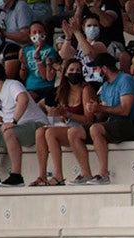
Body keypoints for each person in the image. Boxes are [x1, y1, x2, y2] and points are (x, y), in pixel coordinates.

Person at [68, 52, 134, 185]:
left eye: (96, 68)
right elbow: (103, 112)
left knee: (96, 129)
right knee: (73, 132)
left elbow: (125, 110)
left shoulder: (125, 79)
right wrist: (94, 108)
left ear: (104, 68)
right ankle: (86, 173)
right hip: (113, 124)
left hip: (130, 125)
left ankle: (103, 174)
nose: (95, 72)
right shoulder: (106, 86)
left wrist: (100, 109)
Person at [0, 61, 48, 187]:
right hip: (14, 130)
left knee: (8, 132)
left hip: (34, 125)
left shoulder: (12, 84)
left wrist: (13, 121)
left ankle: (17, 175)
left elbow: (23, 99)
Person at [31, 58, 96, 186]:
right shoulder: (63, 90)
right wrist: (61, 115)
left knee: (50, 133)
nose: (75, 73)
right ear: (65, 73)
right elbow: (65, 117)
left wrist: (68, 114)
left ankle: (58, 176)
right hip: (69, 127)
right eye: (71, 70)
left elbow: (89, 119)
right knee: (40, 132)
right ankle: (42, 176)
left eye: (78, 70)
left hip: (82, 129)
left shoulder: (85, 89)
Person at [20, 21, 56, 106]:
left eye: (40, 32)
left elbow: (45, 76)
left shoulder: (50, 50)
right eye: (34, 32)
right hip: (31, 88)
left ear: (45, 33)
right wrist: (23, 64)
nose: (38, 35)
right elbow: (23, 76)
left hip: (47, 87)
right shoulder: (26, 50)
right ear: (29, 35)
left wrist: (37, 57)